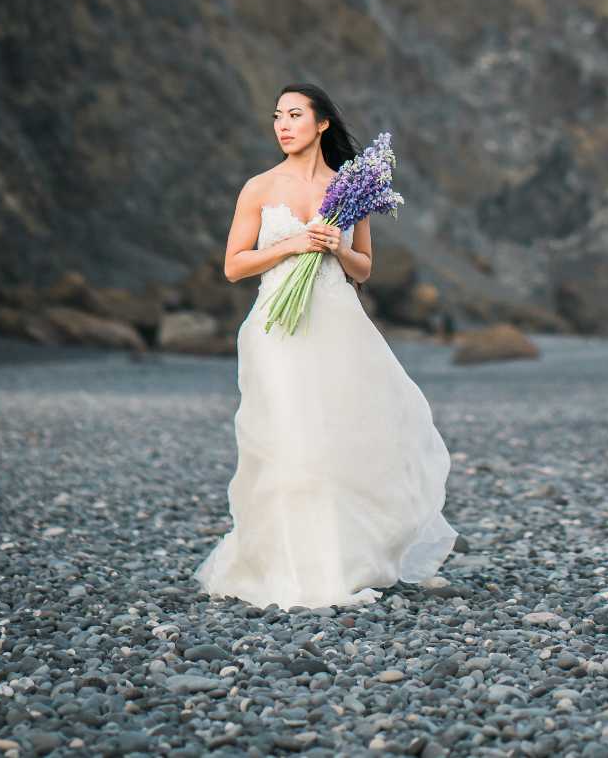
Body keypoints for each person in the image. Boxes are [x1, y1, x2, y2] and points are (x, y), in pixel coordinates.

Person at [193, 82, 458, 609]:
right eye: (277, 116)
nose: (283, 125)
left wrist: (336, 244)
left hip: (338, 325)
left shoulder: (349, 188)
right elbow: (232, 265)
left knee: (339, 438)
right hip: (276, 328)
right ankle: (284, 568)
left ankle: (341, 562)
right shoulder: (259, 188)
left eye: (294, 115)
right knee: (288, 440)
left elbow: (364, 267)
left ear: (322, 125)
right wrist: (293, 243)